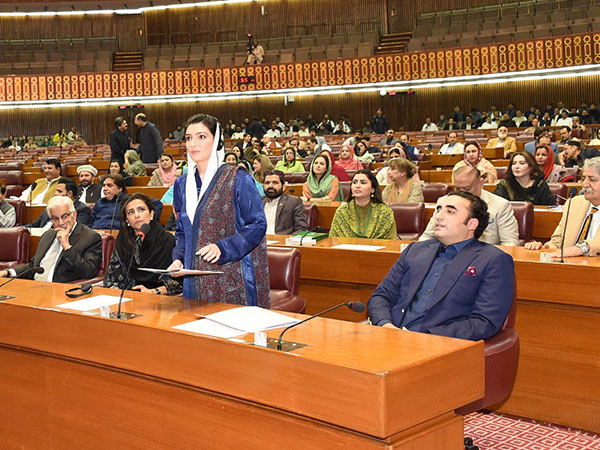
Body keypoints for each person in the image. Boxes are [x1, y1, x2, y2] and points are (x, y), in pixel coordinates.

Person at [368, 190, 515, 341]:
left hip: (438, 345)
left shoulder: (493, 260)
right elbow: (381, 295)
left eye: (450, 211)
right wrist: (385, 325)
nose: (438, 216)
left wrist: (426, 337)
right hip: (390, 336)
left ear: (472, 224)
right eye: (439, 209)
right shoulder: (415, 250)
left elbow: (484, 321)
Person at [167, 113, 269, 306]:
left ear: (217, 141)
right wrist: (179, 258)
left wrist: (223, 247)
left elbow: (257, 224)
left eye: (201, 137)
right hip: (193, 280)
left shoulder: (237, 178)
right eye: (189, 138)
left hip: (229, 276)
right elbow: (182, 230)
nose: (193, 143)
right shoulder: (181, 184)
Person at [0, 196, 102, 283]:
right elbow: (34, 266)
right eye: (55, 218)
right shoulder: (48, 235)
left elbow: (88, 271)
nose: (61, 222)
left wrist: (67, 247)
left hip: (60, 292)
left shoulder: (90, 237)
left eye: (65, 216)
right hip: (36, 288)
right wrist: (9, 272)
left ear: (74, 215)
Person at [420, 166, 519, 246]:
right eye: (458, 189)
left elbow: (510, 243)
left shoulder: (500, 205)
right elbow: (428, 235)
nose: (462, 193)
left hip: (485, 258)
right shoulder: (444, 202)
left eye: (467, 188)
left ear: (481, 183)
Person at [104, 193, 181, 295]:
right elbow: (113, 278)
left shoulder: (168, 241)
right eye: (131, 212)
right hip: (129, 297)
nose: (137, 215)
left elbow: (180, 283)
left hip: (161, 300)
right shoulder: (123, 241)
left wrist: (153, 292)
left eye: (141, 210)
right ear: (126, 220)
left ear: (152, 214)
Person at [525, 157, 600, 257]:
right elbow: (558, 240)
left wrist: (583, 248)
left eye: (592, 179)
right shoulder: (573, 203)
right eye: (583, 178)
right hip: (570, 265)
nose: (585, 184)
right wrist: (543, 247)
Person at [330, 170, 397, 239]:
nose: (357, 186)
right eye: (354, 182)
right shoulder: (342, 212)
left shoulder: (385, 212)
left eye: (363, 182)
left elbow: (392, 242)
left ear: (372, 189)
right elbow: (333, 240)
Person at [27, 177, 92, 228]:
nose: (55, 194)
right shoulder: (52, 205)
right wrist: (18, 229)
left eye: (59, 191)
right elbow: (35, 225)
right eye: (56, 191)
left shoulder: (82, 209)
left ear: (69, 193)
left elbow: (73, 231)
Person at [262, 170, 308, 235]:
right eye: (267, 183)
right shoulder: (258, 202)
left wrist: (287, 240)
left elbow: (302, 229)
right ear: (263, 186)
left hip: (282, 242)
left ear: (283, 187)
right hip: (259, 243)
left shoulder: (293, 202)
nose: (270, 186)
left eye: (275, 183)